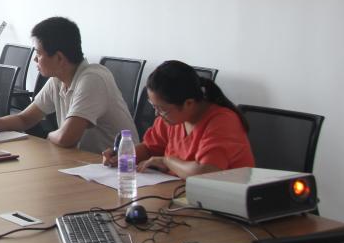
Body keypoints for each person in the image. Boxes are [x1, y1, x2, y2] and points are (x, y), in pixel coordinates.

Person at [0, 17, 136, 154]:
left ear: (59, 58)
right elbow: (25, 119)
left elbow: (66, 138)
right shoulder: (58, 80)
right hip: (83, 164)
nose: (35, 59)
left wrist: (49, 136)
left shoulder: (93, 79)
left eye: (38, 53)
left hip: (118, 169)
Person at [101, 60, 254, 178]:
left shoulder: (223, 122)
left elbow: (205, 173)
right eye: (154, 106)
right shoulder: (171, 118)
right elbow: (149, 148)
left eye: (162, 109)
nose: (157, 114)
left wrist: (167, 161)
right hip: (178, 194)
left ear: (188, 103)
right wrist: (122, 155)